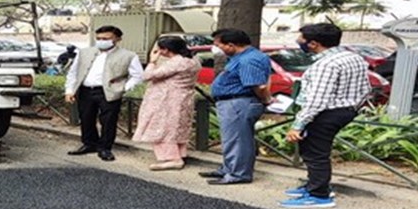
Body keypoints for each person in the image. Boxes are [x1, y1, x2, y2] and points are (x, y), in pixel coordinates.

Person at [280, 23, 372, 209]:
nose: (298, 41)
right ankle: (315, 185)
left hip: (325, 113)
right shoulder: (353, 57)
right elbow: (366, 89)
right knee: (318, 149)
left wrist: (298, 124)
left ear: (313, 43)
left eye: (301, 38)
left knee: (315, 152)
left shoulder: (326, 65)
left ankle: (319, 194)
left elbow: (317, 100)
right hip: (346, 109)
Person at [200, 28, 273, 184]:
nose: (217, 48)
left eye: (219, 45)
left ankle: (238, 174)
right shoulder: (241, 57)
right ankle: (228, 169)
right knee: (233, 138)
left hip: (239, 102)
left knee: (237, 139)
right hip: (234, 102)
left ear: (231, 45)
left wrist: (266, 99)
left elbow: (258, 86)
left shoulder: (249, 60)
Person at [64, 26, 144, 161]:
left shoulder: (128, 55)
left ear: (117, 39)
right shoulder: (84, 52)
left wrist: (123, 88)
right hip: (86, 90)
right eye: (99, 38)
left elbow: (138, 75)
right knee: (86, 118)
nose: (101, 41)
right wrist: (69, 90)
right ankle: (89, 144)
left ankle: (105, 148)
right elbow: (73, 72)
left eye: (106, 39)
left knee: (108, 121)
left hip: (109, 91)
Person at [132, 36, 201, 170]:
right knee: (177, 126)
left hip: (167, 99)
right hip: (183, 97)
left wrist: (152, 62)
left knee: (162, 128)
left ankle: (172, 158)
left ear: (166, 50)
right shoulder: (194, 61)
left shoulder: (175, 63)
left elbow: (148, 76)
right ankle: (180, 153)